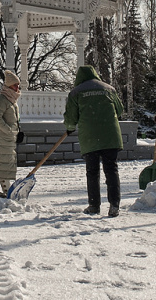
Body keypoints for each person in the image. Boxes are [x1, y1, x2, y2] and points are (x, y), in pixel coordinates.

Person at [64, 65, 124, 217]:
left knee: (92, 172)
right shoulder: (109, 89)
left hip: (90, 137)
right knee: (111, 169)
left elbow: (71, 117)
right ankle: (114, 205)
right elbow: (119, 110)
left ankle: (94, 206)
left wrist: (70, 127)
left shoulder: (76, 92)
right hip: (110, 136)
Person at [0, 69, 22, 197]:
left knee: (4, 162)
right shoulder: (2, 99)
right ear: (8, 86)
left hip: (10, 138)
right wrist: (8, 130)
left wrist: (18, 132)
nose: (17, 87)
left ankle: (0, 190)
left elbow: (14, 120)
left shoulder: (13, 101)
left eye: (18, 85)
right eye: (14, 85)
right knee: (0, 162)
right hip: (2, 138)